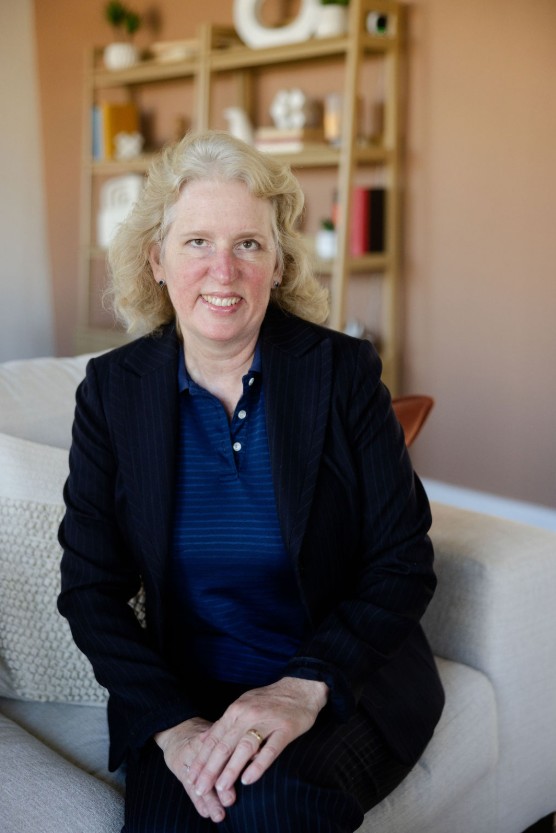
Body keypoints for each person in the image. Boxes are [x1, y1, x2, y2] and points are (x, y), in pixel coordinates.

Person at [58, 130, 444, 833]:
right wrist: (173, 725)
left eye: (248, 244)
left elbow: (402, 561)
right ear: (156, 259)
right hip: (188, 692)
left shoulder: (343, 374)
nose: (223, 271)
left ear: (278, 262)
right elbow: (90, 589)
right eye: (196, 242)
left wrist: (303, 687)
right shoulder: (113, 391)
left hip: (336, 683)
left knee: (272, 804)